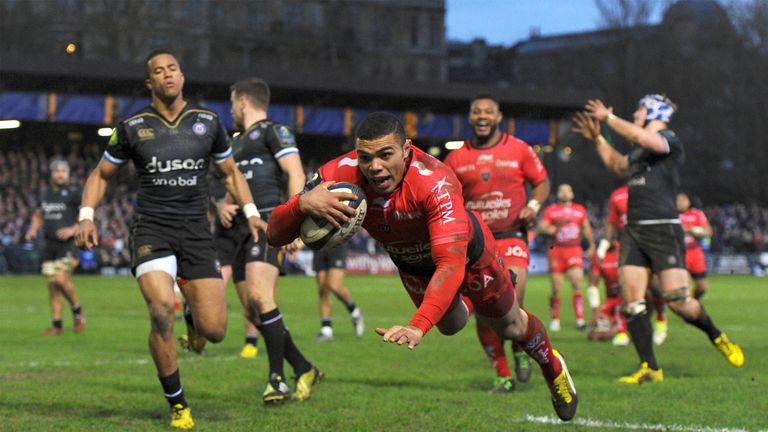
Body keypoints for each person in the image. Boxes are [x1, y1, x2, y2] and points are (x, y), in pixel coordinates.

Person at [267, 112, 578, 421]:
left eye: (385, 155)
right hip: (412, 264)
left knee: (509, 327)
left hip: (466, 255)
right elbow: (274, 235)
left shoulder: (434, 182)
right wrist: (301, 204)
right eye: (365, 157)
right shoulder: (338, 174)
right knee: (451, 325)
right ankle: (471, 297)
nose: (374, 167)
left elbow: (449, 264)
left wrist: (418, 324)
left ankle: (553, 366)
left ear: (406, 150)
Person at [75, 50, 262, 430]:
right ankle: (178, 405)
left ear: (182, 75)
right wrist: (86, 216)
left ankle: (193, 322)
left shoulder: (207, 122)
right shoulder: (132, 126)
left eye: (173, 68)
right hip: (152, 230)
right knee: (161, 308)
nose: (167, 75)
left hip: (196, 233)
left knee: (215, 330)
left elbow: (230, 173)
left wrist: (253, 211)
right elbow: (100, 175)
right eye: (158, 72)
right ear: (151, 83)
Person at [572, 94, 744, 384]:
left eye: (640, 108)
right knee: (632, 303)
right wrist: (599, 140)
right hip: (634, 231)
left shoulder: (667, 139)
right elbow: (618, 166)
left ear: (652, 111)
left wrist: (609, 119)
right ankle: (649, 367)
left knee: (678, 301)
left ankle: (717, 335)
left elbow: (643, 137)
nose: (636, 113)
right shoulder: (640, 152)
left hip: (663, 228)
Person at [220, 77, 322, 404]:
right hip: (238, 229)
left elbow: (295, 173)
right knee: (253, 309)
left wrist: (293, 223)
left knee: (262, 298)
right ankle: (305, 367)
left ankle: (276, 381)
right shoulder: (235, 143)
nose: (232, 108)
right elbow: (234, 185)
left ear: (243, 101)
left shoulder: (273, 131)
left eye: (233, 102)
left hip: (268, 223)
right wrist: (223, 203)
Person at [443, 94, 549, 392]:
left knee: (512, 298)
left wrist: (534, 207)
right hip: (476, 243)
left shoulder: (519, 149)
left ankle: (520, 350)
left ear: (499, 117)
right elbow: (448, 198)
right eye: (477, 111)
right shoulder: (455, 158)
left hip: (512, 235)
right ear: (470, 117)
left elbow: (542, 182)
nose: (482, 115)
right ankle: (502, 375)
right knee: (483, 306)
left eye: (488, 111)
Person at [602, 184, 668, 345]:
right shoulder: (617, 195)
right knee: (625, 290)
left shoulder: (652, 189)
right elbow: (612, 222)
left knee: (656, 289)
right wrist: (605, 243)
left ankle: (661, 321)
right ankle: (622, 331)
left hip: (651, 245)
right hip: (628, 247)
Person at [25, 159, 85, 335]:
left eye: (64, 171)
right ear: (51, 174)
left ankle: (77, 310)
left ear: (68, 174)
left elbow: (85, 215)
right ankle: (57, 325)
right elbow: (38, 214)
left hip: (69, 244)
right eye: (57, 171)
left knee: (59, 279)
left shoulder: (75, 192)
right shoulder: (45, 193)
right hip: (49, 244)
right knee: (52, 285)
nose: (60, 174)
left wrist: (72, 229)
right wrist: (33, 229)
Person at [207, 175, 261, 359]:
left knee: (249, 296)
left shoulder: (241, 175)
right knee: (213, 290)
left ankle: (251, 342)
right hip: (221, 239)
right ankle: (200, 333)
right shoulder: (209, 180)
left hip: (241, 235)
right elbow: (209, 208)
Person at [537, 184, 595, 331]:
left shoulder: (579, 210)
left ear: (572, 194)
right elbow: (541, 227)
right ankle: (555, 319)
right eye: (561, 190)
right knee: (556, 287)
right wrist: (551, 229)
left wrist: (592, 245)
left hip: (574, 249)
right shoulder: (551, 210)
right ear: (558, 194)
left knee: (577, 283)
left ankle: (580, 319)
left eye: (567, 190)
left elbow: (586, 228)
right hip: (557, 251)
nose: (564, 193)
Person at [312, 242, 365, 342]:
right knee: (323, 289)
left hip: (336, 242)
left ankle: (355, 312)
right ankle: (326, 331)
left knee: (334, 286)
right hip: (318, 243)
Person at [586, 241, 628, 346]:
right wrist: (596, 311)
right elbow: (592, 284)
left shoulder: (627, 250)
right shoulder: (600, 256)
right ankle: (618, 327)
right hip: (612, 300)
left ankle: (623, 328)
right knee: (594, 335)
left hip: (629, 299)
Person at [677, 193, 713, 299]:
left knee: (702, 288)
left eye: (683, 200)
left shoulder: (697, 214)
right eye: (678, 200)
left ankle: (693, 302)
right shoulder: (671, 215)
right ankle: (689, 305)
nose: (680, 202)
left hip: (695, 252)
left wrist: (690, 230)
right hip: (679, 252)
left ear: (689, 201)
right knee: (686, 285)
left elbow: (708, 231)